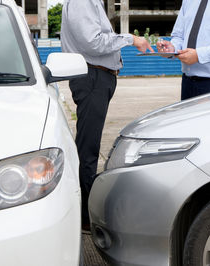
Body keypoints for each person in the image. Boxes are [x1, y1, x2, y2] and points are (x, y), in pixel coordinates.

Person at [60, 0, 154, 231]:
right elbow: (93, 43)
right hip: (92, 77)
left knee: (89, 146)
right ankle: (84, 216)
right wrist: (131, 39)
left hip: (98, 77)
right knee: (88, 149)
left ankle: (85, 211)